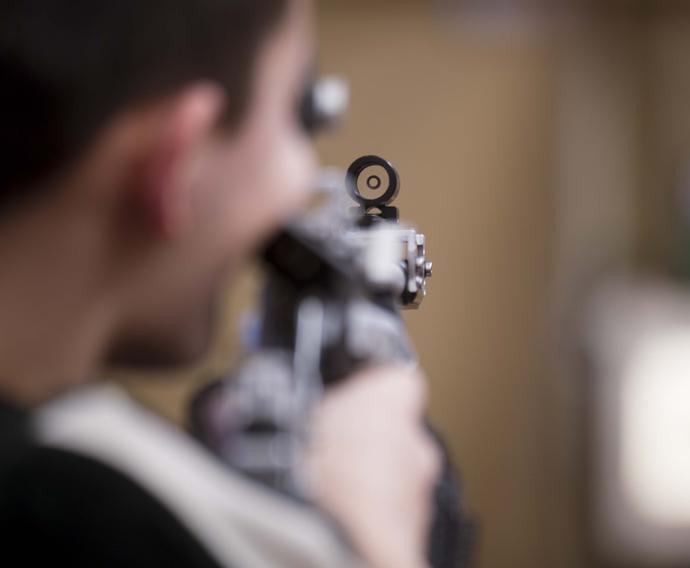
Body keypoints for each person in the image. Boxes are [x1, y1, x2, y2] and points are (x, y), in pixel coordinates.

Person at [0, 0, 440, 566]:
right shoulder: (80, 516)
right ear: (174, 159)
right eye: (297, 114)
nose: (306, 182)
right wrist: (372, 540)